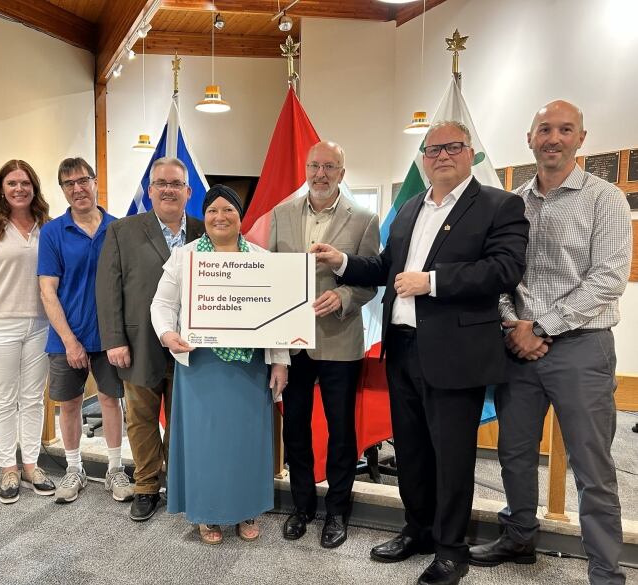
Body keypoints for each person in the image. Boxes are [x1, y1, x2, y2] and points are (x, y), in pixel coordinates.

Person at [313, 121, 529, 585]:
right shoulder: (410, 207)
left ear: (470, 153)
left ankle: (451, 550)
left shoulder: (500, 204)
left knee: (451, 456)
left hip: (456, 352)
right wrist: (343, 262)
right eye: (432, 149)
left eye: (453, 147)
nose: (442, 155)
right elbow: (387, 266)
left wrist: (432, 283)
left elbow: (505, 270)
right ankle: (418, 530)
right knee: (410, 451)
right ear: (424, 158)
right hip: (404, 348)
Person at [469, 101, 632, 585]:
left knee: (592, 465)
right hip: (517, 349)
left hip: (581, 348)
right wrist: (511, 324)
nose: (553, 138)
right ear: (530, 137)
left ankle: (605, 571)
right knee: (515, 453)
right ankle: (519, 535)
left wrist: (540, 328)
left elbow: (607, 280)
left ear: (582, 139)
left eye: (565, 130)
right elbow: (500, 276)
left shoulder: (605, 199)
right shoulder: (511, 202)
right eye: (545, 129)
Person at [151, 184, 289, 544]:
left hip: (249, 367)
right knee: (205, 444)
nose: (220, 217)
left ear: (241, 217)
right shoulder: (185, 256)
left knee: (246, 442)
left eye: (228, 210)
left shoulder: (260, 258)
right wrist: (167, 334)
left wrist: (280, 363)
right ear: (204, 216)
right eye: (212, 210)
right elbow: (161, 305)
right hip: (200, 366)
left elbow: (276, 319)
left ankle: (246, 510)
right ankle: (208, 513)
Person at [269, 140, 380, 549]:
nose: (320, 173)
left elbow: (370, 279)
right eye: (314, 165)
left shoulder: (365, 219)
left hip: (339, 340)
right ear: (305, 168)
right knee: (295, 427)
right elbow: (274, 277)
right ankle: (302, 507)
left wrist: (346, 297)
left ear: (342, 173)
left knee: (340, 432)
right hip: (292, 344)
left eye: (329, 166)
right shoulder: (281, 214)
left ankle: (337, 510)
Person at [96, 157, 204, 522]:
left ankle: (176, 481)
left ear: (188, 192)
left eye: (176, 183)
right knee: (141, 418)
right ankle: (145, 485)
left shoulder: (207, 232)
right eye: (161, 183)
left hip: (192, 344)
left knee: (182, 418)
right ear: (149, 190)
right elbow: (108, 290)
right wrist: (113, 340)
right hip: (138, 343)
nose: (169, 190)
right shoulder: (122, 231)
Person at [38, 157, 132, 504]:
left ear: (95, 183)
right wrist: (69, 340)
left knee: (111, 400)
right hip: (66, 336)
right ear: (63, 190)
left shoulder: (118, 228)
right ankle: (74, 468)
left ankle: (115, 469)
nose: (78, 189)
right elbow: (48, 290)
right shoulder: (52, 232)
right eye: (69, 184)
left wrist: (120, 335)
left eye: (83, 181)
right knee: (71, 404)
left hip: (109, 337)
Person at [0, 159, 56, 504]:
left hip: (41, 323)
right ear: (1, 188)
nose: (19, 189)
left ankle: (31, 465)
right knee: (3, 399)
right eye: (12, 183)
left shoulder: (47, 226)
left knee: (32, 398)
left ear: (35, 187)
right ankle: (8, 468)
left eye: (25, 182)